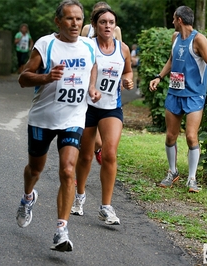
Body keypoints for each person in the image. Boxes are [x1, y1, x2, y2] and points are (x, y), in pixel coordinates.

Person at [16, 0, 100, 252]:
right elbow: (22, 77)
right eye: (69, 19)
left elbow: (92, 66)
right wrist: (45, 76)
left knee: (67, 170)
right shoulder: (45, 44)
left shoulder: (88, 46)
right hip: (43, 118)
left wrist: (92, 88)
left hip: (73, 118)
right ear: (58, 21)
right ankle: (28, 197)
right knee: (35, 169)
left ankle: (61, 230)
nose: (75, 24)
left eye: (78, 19)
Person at [148, 6, 207, 193]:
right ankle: (172, 172)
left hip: (194, 95)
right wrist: (159, 76)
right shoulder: (175, 37)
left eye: (174, 18)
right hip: (174, 93)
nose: (172, 21)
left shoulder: (199, 39)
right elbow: (171, 61)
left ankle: (192, 178)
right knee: (171, 135)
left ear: (179, 19)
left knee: (190, 136)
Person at [71, 7, 134, 224]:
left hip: (111, 108)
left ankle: (106, 207)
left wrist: (127, 80)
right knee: (86, 155)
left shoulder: (123, 48)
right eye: (103, 22)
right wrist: (88, 87)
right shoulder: (87, 46)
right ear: (95, 26)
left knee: (109, 154)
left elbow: (127, 71)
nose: (107, 26)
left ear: (115, 26)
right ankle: (79, 196)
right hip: (87, 107)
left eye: (111, 22)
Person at [81, 1, 122, 165]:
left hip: (109, 86)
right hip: (90, 83)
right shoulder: (86, 30)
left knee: (105, 126)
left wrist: (123, 80)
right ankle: (95, 150)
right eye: (101, 17)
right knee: (88, 138)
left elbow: (120, 56)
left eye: (110, 20)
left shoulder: (116, 30)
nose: (106, 24)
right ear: (94, 20)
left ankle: (97, 150)